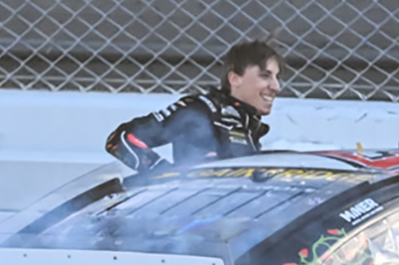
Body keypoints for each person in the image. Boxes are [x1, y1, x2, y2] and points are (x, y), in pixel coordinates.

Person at [104, 40, 282, 173]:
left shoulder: (248, 124)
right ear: (235, 79)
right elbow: (121, 139)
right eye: (265, 76)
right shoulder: (200, 110)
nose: (276, 87)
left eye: (277, 77)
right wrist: (164, 174)